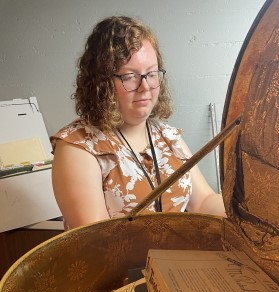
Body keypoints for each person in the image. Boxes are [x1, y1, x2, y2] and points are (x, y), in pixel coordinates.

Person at [51, 15, 226, 229]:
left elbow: (204, 202)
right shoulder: (77, 146)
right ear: (102, 83)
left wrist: (245, 213)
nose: (146, 86)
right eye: (129, 76)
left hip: (173, 259)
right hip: (120, 262)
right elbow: (95, 239)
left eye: (151, 73)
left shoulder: (167, 136)